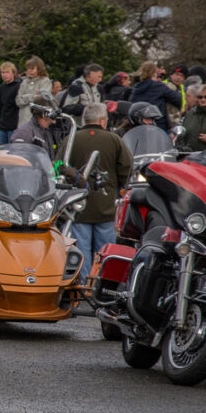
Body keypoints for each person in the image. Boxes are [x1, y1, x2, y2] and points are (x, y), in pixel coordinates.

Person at [68, 103, 133, 282]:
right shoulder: (114, 139)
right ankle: (101, 285)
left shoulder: (72, 138)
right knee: (105, 250)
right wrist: (117, 187)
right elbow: (126, 169)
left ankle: (84, 284)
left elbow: (59, 166)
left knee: (81, 248)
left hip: (79, 206)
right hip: (105, 206)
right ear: (102, 120)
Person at [130, 60, 182, 131]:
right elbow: (177, 99)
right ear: (154, 73)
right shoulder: (158, 86)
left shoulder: (136, 87)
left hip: (140, 124)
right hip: (158, 125)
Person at [10, 94, 61, 161]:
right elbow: (18, 162)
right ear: (45, 113)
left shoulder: (49, 132)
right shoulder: (24, 133)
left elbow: (52, 156)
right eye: (54, 111)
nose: (57, 114)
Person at [16, 56, 52, 127]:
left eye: (32, 69)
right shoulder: (24, 82)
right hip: (23, 123)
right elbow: (18, 101)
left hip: (37, 122)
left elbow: (41, 99)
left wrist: (25, 97)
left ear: (39, 69)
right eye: (28, 68)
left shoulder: (45, 81)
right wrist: (33, 96)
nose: (29, 71)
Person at [0, 62, 20, 145]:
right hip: (3, 126)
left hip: (14, 126)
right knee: (1, 151)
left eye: (7, 72)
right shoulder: (2, 87)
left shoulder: (19, 85)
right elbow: (1, 103)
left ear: (13, 73)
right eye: (2, 72)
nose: (4, 75)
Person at [182, 84, 206, 152]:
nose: (203, 100)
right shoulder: (190, 114)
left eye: (205, 97)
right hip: (189, 157)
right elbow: (182, 135)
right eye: (200, 97)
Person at [165, 63, 189, 129]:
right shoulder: (165, 86)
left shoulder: (182, 89)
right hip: (168, 123)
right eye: (177, 74)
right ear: (171, 75)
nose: (178, 78)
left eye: (182, 76)